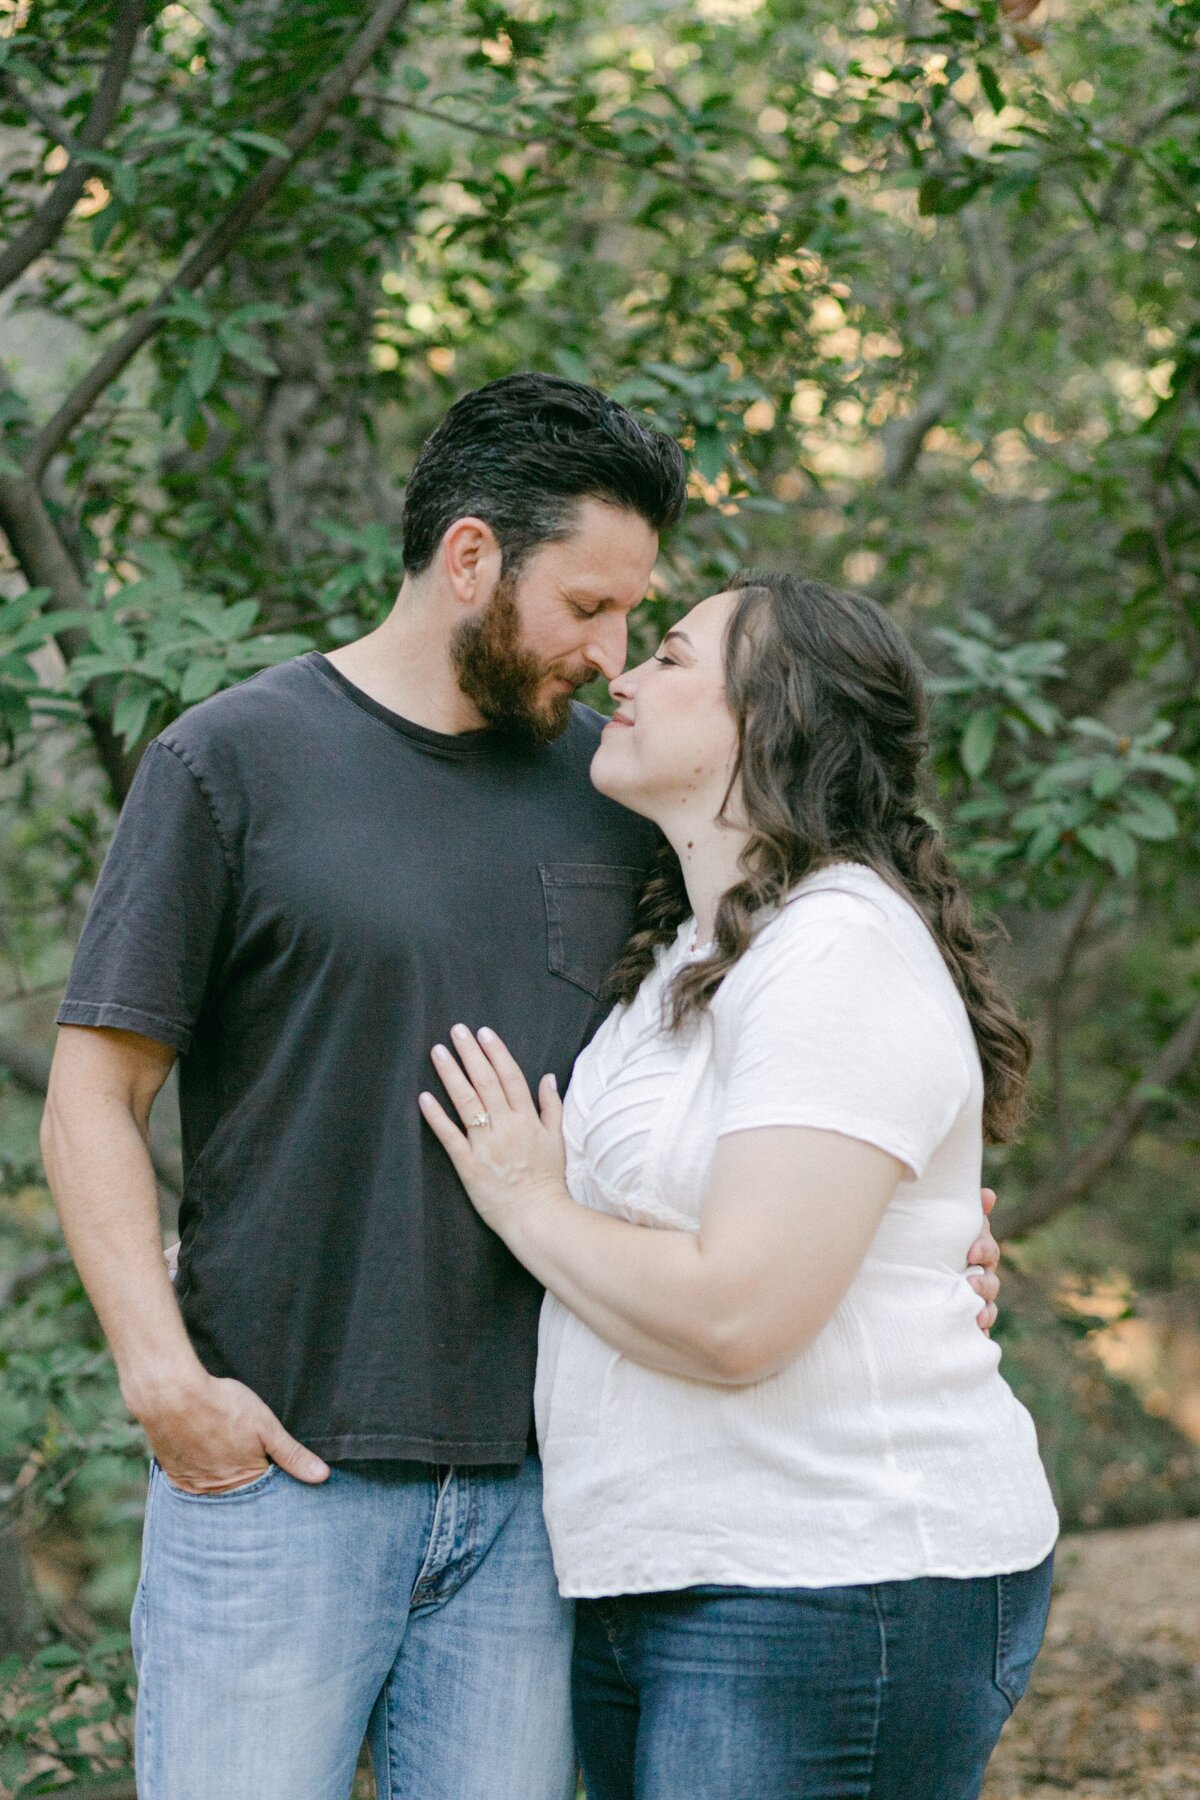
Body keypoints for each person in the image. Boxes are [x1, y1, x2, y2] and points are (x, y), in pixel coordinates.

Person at [40, 376, 1003, 1800]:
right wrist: (159, 1374)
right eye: (590, 608)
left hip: (546, 1504)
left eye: (638, 622)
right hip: (278, 1471)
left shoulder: (616, 788)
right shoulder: (231, 762)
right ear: (473, 557)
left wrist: (925, 1241)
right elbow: (90, 1099)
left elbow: (782, 1051)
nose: (615, 656)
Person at [420, 572, 1058, 1800]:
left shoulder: (840, 951)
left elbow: (739, 1316)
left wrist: (528, 1204)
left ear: (771, 719)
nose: (622, 677)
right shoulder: (695, 957)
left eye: (666, 658)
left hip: (828, 1577)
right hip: (663, 1570)